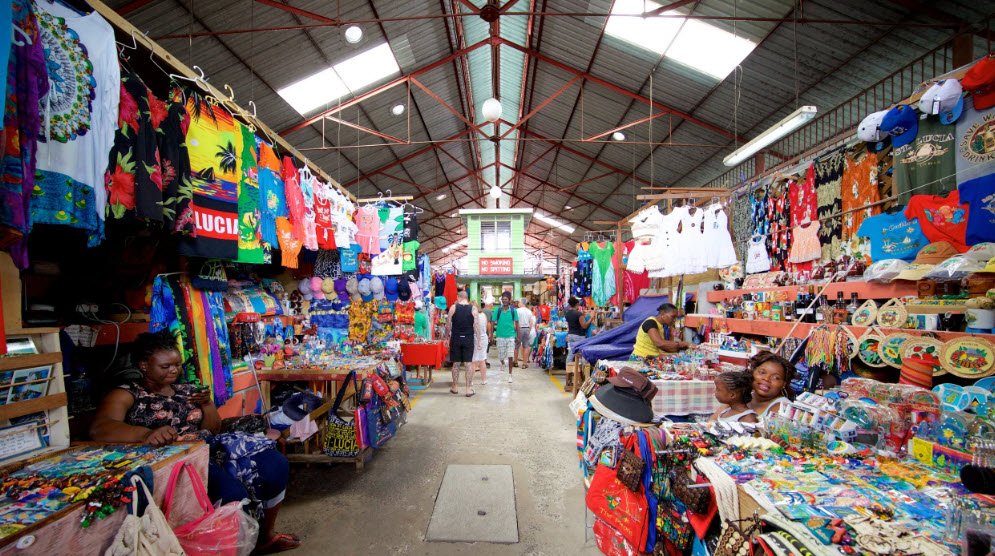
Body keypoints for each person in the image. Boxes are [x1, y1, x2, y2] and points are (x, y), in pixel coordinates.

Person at [89, 331, 299, 554]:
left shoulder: (187, 391)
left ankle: (265, 537)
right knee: (232, 495)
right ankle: (234, 548)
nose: (174, 370)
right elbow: (100, 427)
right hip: (175, 459)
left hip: (209, 448)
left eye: (177, 365)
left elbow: (213, 428)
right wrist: (145, 434)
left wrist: (207, 404)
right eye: (165, 366)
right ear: (144, 365)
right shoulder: (128, 394)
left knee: (275, 465)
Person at [745, 351, 797, 420]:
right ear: (752, 372)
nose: (766, 379)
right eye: (762, 372)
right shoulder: (742, 397)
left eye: (776, 378)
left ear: (784, 384)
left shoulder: (782, 409)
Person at [447, 291, 477, 396]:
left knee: (456, 363)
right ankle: (468, 389)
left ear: (458, 297)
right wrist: (479, 340)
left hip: (456, 338)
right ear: (467, 298)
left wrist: (446, 337)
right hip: (468, 338)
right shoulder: (473, 308)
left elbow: (448, 324)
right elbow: (476, 325)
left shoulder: (453, 307)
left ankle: (455, 387)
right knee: (468, 364)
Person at [491, 291, 518, 383]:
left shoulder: (514, 311)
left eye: (506, 299)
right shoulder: (497, 310)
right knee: (501, 356)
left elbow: (517, 323)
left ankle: (510, 375)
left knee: (510, 355)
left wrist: (517, 335)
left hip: (511, 336)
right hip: (500, 336)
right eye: (503, 299)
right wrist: (491, 335)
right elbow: (492, 322)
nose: (504, 301)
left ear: (509, 300)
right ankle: (502, 362)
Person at [564, 297, 592, 365]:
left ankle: (568, 369)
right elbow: (584, 326)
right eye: (579, 305)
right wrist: (591, 319)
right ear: (576, 304)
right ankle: (582, 369)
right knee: (582, 354)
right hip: (579, 336)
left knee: (571, 353)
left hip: (570, 335)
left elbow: (570, 325)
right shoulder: (578, 314)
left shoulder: (567, 314)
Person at [471, 301, 489, 385]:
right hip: (484, 337)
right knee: (482, 359)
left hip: (475, 338)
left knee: (473, 360)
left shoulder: (473, 315)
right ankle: (484, 380)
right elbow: (486, 326)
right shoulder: (483, 315)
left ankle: (470, 381)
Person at [516, 298, 535, 369]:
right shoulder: (529, 311)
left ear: (522, 303)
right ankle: (524, 363)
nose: (518, 303)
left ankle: (515, 362)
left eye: (519, 302)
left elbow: (515, 321)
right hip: (526, 329)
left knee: (516, 346)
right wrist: (529, 330)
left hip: (519, 329)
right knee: (526, 346)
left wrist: (516, 330)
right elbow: (531, 322)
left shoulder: (517, 311)